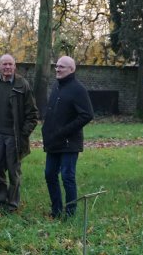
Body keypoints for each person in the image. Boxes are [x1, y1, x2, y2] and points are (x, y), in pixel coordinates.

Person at [41, 56, 93, 219]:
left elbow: (87, 115)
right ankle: (56, 211)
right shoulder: (57, 86)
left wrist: (65, 131)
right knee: (50, 175)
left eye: (62, 67)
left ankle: (70, 214)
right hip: (53, 142)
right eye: (56, 66)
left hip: (70, 143)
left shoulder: (78, 89)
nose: (57, 69)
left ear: (72, 69)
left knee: (67, 177)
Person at [0, 54, 38, 213]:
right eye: (4, 64)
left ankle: (12, 205)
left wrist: (23, 134)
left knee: (13, 172)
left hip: (14, 137)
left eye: (10, 64)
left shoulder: (22, 85)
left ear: (15, 66)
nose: (7, 67)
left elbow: (33, 114)